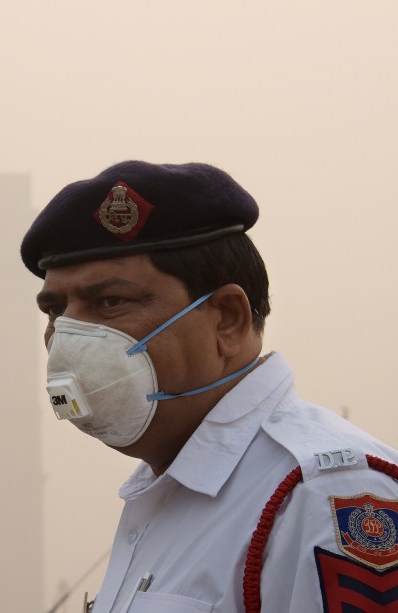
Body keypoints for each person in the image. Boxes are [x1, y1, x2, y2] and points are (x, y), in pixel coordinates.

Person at [20, 161, 398, 612]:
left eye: (111, 302)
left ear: (228, 319)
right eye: (55, 311)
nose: (68, 337)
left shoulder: (322, 495)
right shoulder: (164, 494)